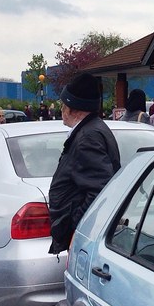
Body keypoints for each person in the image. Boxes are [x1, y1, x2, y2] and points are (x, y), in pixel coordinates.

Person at [48, 73, 120, 256]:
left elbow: (99, 189)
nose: (61, 109)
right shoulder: (91, 130)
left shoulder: (87, 137)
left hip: (83, 236)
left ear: (75, 109)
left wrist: (77, 229)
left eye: (64, 105)